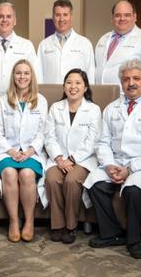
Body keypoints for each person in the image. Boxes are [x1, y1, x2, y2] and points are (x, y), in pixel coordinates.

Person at [84, 59, 141, 259]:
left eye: (136, 78)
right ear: (121, 83)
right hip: (115, 162)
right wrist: (109, 165)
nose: (131, 83)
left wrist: (131, 168)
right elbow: (102, 142)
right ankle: (112, 234)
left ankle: (134, 240)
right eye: (126, 79)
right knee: (95, 184)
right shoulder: (111, 109)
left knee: (133, 190)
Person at [0, 59, 48, 243]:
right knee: (8, 173)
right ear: (13, 76)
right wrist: (11, 151)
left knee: (27, 174)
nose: (22, 77)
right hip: (8, 152)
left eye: (26, 73)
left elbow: (43, 132)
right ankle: (14, 222)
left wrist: (31, 151)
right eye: (18, 73)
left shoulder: (41, 101)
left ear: (31, 77)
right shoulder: (2, 101)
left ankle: (29, 222)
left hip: (32, 152)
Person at [44, 69, 101, 244]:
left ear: (85, 87)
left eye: (78, 83)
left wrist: (73, 159)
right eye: (69, 82)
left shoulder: (93, 110)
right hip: (58, 158)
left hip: (83, 160)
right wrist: (59, 158)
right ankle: (58, 225)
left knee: (71, 180)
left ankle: (71, 226)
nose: (73, 86)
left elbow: (93, 141)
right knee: (52, 178)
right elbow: (49, 136)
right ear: (64, 86)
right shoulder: (55, 108)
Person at [0, 2, 39, 114]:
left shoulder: (26, 45)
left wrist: (31, 102)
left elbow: (34, 77)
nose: (4, 20)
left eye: (9, 16)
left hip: (20, 105)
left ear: (15, 21)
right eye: (1, 16)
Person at [95, 0, 141, 94]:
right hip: (100, 97)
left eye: (127, 15)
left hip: (129, 101)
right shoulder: (103, 39)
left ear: (135, 17)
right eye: (118, 15)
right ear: (112, 18)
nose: (122, 18)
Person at [37, 0, 95, 84]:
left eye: (65, 15)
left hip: (76, 95)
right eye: (57, 15)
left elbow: (90, 75)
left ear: (71, 16)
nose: (61, 19)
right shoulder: (44, 45)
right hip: (49, 95)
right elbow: (39, 76)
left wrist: (88, 96)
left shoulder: (85, 44)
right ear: (53, 17)